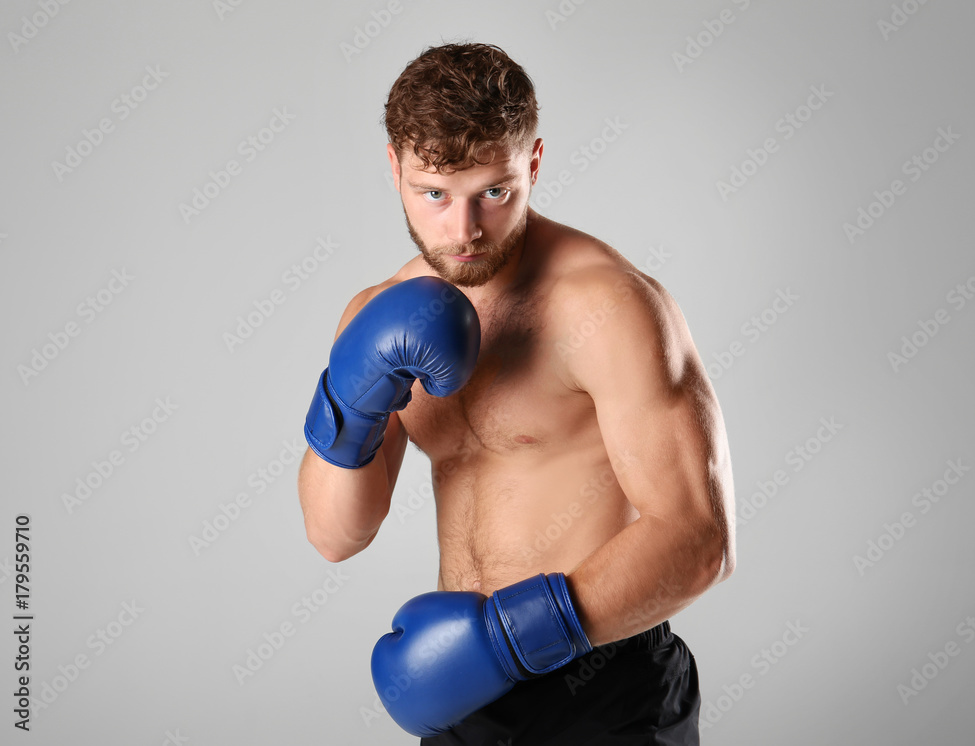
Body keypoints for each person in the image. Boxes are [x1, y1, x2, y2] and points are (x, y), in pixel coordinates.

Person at [298, 42, 736, 745]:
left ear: (532, 164)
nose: (464, 230)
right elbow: (334, 534)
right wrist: (352, 402)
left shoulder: (609, 306)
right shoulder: (378, 314)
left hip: (605, 686)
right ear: (394, 170)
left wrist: (505, 640)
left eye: (493, 193)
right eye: (433, 194)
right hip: (461, 687)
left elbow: (698, 540)